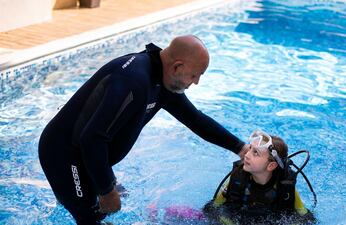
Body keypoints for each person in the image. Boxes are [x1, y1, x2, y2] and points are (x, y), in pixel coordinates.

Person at [38, 35, 250, 225]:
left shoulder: (162, 79)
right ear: (177, 67)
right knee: (91, 218)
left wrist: (240, 148)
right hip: (65, 155)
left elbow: (195, 119)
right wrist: (106, 190)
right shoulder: (133, 80)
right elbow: (92, 138)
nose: (196, 82)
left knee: (111, 206)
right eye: (195, 75)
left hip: (89, 155)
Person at [203, 129, 315, 225]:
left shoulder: (285, 184)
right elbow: (213, 209)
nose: (246, 155)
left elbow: (306, 218)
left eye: (255, 152)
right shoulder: (237, 177)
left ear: (271, 165)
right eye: (250, 148)